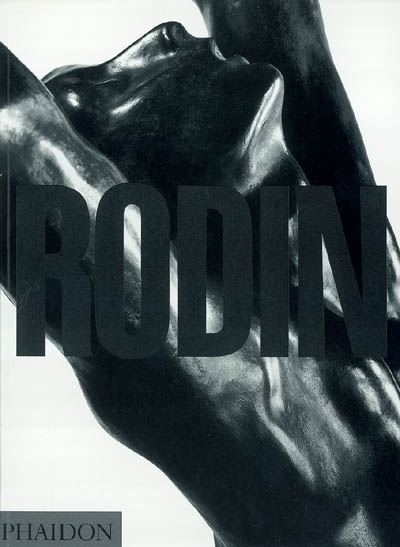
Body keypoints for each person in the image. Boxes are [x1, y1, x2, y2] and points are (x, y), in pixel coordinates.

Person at [1, 3, 399, 546]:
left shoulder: (355, 305)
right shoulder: (277, 412)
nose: (163, 34)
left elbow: (283, 35)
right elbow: (20, 137)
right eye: (114, 80)